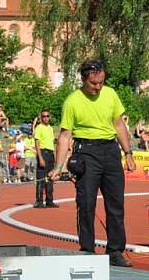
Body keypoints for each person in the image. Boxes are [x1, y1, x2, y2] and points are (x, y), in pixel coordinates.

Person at [48, 60, 136, 267]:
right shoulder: (72, 101)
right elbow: (65, 135)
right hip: (86, 152)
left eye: (101, 83)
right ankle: (87, 249)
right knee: (86, 203)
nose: (98, 88)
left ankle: (115, 251)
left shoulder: (111, 94)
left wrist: (128, 153)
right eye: (93, 84)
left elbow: (119, 124)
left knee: (116, 204)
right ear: (84, 79)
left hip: (111, 150)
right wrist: (58, 166)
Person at [34, 109, 57, 208]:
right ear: (41, 117)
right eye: (43, 116)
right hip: (43, 153)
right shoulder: (39, 128)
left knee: (50, 178)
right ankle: (39, 201)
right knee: (41, 178)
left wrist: (55, 157)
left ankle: (49, 200)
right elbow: (37, 144)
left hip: (50, 153)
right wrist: (40, 158)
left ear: (50, 117)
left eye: (47, 116)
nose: (45, 118)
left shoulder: (51, 128)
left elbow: (52, 143)